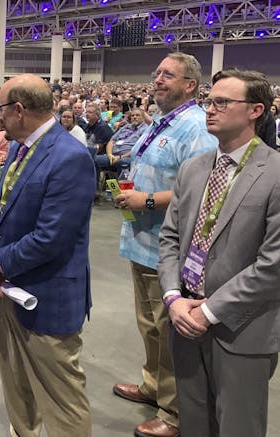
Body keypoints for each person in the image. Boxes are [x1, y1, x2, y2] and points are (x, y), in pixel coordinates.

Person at [159, 69, 280, 437]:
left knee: (238, 426)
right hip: (184, 319)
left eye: (223, 102)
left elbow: (273, 264)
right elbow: (169, 239)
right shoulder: (193, 168)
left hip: (240, 327)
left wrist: (210, 311)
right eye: (210, 101)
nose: (210, 109)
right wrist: (173, 297)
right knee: (195, 423)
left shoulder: (274, 172)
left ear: (256, 110)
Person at [0, 74, 95, 437]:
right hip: (7, 289)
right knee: (17, 386)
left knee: (61, 400)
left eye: (0, 108)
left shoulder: (70, 157)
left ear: (19, 110)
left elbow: (51, 238)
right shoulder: (18, 147)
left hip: (47, 296)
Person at [112, 52, 218, 437]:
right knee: (150, 326)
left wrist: (150, 200)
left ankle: (173, 411)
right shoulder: (159, 122)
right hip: (142, 240)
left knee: (170, 330)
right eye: (157, 73)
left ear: (189, 85)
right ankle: (153, 386)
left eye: (167, 75)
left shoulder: (196, 128)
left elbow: (199, 187)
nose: (157, 79)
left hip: (169, 247)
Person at [94, 108, 149, 185]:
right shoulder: (126, 127)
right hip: (113, 157)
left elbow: (139, 148)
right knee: (94, 159)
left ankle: (123, 193)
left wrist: (121, 157)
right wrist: (110, 155)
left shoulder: (145, 129)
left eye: (137, 115)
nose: (134, 117)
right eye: (133, 115)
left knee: (122, 163)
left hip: (130, 158)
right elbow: (111, 141)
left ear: (143, 117)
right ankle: (95, 190)